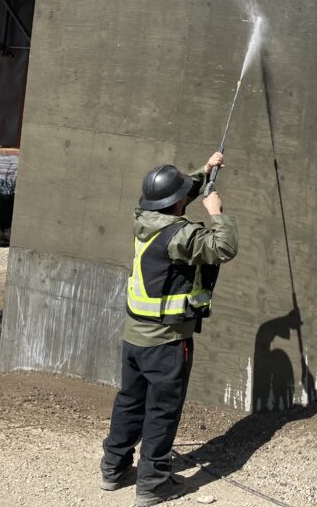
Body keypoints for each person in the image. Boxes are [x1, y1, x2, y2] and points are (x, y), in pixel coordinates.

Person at [100, 152, 238, 506]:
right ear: (178, 203)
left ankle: (113, 470)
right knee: (162, 411)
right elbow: (224, 247)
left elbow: (172, 198)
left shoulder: (142, 217)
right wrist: (216, 211)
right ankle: (154, 483)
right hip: (166, 342)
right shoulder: (181, 235)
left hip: (134, 338)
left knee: (129, 403)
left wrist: (204, 172)